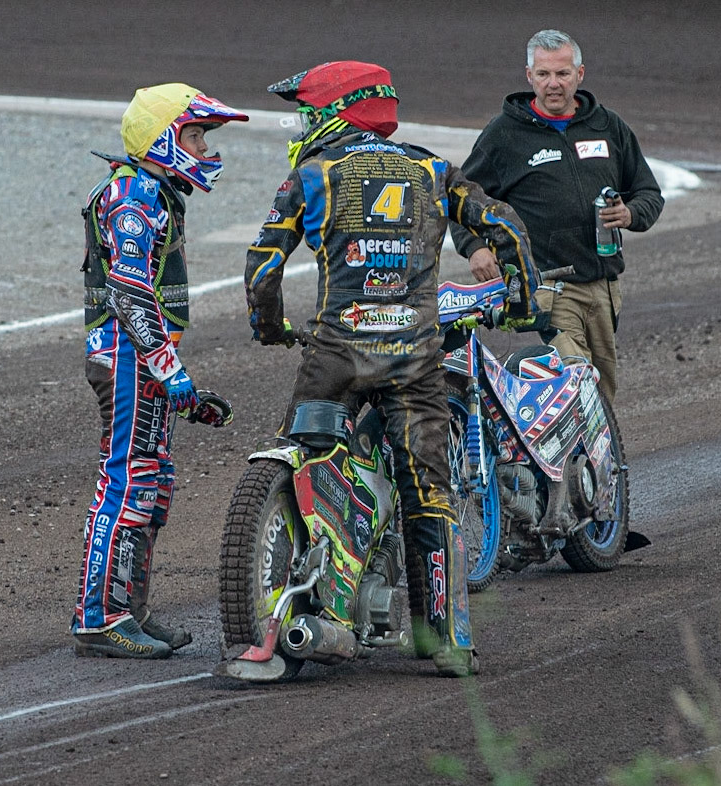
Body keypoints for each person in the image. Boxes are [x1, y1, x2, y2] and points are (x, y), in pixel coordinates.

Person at [240, 61, 539, 676]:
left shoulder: (313, 174)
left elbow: (264, 266)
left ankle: (315, 601)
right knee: (427, 493)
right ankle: (445, 641)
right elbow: (505, 222)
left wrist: (268, 326)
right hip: (412, 359)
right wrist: (522, 301)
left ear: (335, 110)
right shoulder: (431, 169)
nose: (302, 122)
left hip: (334, 358)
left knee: (308, 461)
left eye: (307, 110)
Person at [72, 83, 248, 658]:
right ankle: (99, 619)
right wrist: (171, 372)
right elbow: (128, 291)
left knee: (150, 484)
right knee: (126, 482)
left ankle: (129, 615)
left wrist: (179, 384)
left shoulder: (151, 192)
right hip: (127, 356)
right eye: (194, 135)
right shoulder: (132, 195)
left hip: (137, 357)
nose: (203, 149)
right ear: (162, 138)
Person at [451, 29, 665, 403]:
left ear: (579, 75)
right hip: (549, 286)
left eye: (563, 74)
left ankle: (598, 462)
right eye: (544, 74)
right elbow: (460, 200)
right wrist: (474, 248)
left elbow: (649, 193)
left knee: (601, 391)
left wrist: (631, 213)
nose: (553, 84)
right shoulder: (504, 135)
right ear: (529, 76)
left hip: (604, 286)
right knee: (576, 378)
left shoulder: (608, 126)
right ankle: (564, 460)